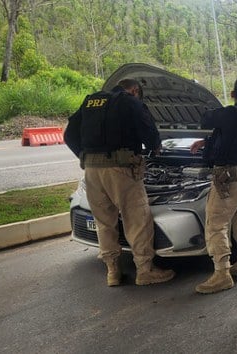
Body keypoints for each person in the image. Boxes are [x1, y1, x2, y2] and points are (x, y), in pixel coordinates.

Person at [64, 79, 175, 287]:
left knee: (105, 222)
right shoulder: (130, 101)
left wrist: (84, 154)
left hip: (91, 170)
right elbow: (148, 129)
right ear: (134, 90)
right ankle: (145, 270)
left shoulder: (91, 101)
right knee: (137, 218)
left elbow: (69, 134)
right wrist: (155, 147)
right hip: (121, 169)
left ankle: (113, 271)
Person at [189, 76, 237, 294]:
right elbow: (236, 137)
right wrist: (207, 142)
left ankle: (222, 274)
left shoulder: (230, 113)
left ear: (232, 95)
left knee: (216, 223)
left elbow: (206, 119)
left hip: (227, 176)